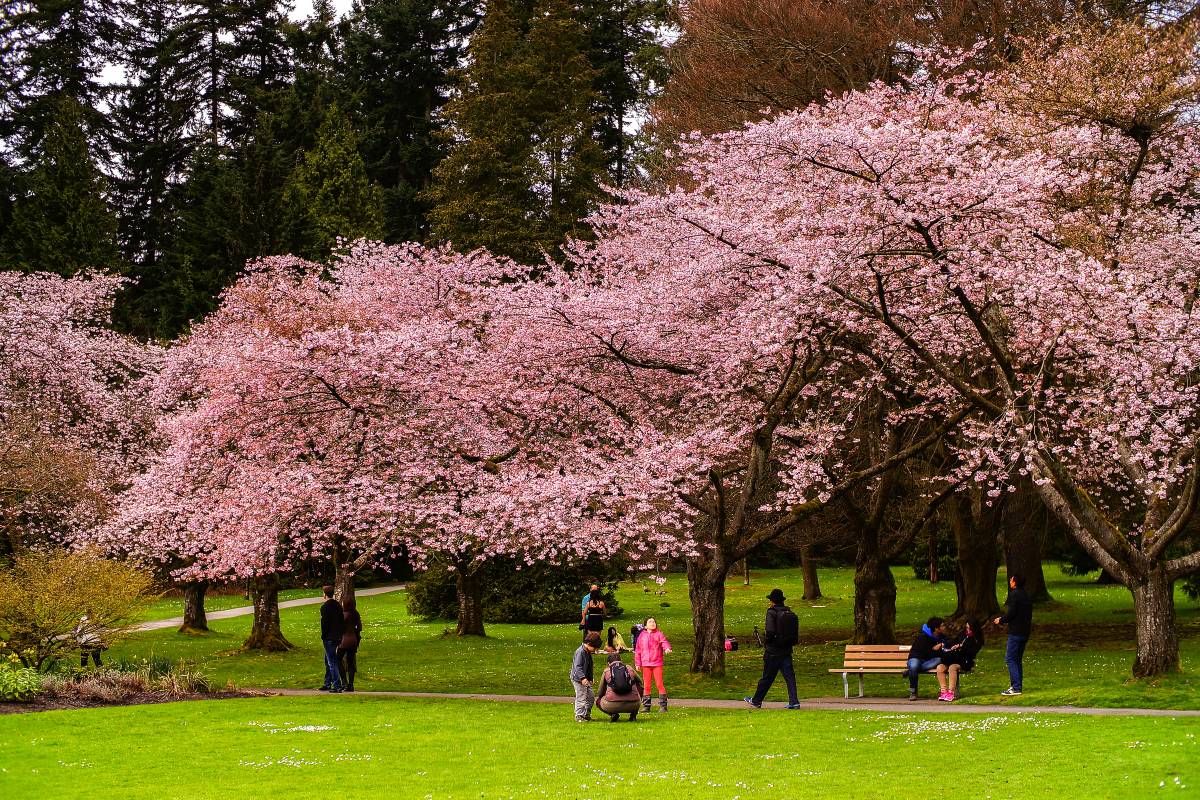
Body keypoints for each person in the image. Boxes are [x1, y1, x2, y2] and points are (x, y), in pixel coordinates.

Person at [744, 588, 801, 709]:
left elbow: (770, 631)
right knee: (790, 678)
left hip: (773, 651)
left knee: (767, 678)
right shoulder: (788, 612)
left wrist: (767, 642)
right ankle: (794, 701)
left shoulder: (771, 612)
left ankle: (756, 700)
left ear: (772, 601)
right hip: (786, 650)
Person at [993, 573, 1033, 696]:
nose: (1010, 581)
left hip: (1016, 631)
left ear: (1014, 582)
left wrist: (1001, 620)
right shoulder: (1026, 595)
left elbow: (1011, 613)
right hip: (1025, 631)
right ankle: (1017, 686)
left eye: (1011, 580)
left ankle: (1015, 687)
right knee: (1017, 659)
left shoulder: (1015, 595)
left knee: (1010, 659)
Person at [935, 618, 984, 702]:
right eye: (967, 627)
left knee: (952, 668)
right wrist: (946, 644)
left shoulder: (976, 639)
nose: (968, 630)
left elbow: (971, 653)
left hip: (965, 661)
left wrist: (961, 647)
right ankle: (944, 692)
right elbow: (953, 641)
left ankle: (951, 692)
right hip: (953, 658)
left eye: (969, 628)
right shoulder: (963, 635)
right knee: (940, 667)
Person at [633, 617, 672, 712]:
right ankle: (646, 706)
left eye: (654, 621)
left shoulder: (659, 634)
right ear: (645, 625)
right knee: (647, 685)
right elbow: (638, 650)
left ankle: (663, 706)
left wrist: (667, 648)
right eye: (650, 622)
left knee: (659, 684)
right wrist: (638, 663)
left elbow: (664, 642)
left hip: (657, 663)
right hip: (646, 664)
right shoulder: (641, 636)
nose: (653, 623)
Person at [906, 616, 948, 700]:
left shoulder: (941, 637)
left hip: (927, 660)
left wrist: (941, 644)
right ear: (936, 628)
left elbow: (949, 641)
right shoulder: (923, 638)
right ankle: (913, 691)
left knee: (940, 659)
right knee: (914, 666)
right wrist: (936, 650)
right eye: (942, 625)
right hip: (916, 658)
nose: (944, 627)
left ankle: (910, 671)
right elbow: (929, 653)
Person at [596, 652, 645, 722]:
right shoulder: (629, 668)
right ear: (621, 660)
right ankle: (633, 716)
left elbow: (600, 692)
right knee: (639, 686)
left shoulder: (606, 671)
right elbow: (640, 682)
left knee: (598, 701)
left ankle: (613, 714)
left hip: (611, 705)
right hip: (633, 705)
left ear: (608, 663)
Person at [570, 631, 602, 722]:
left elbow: (589, 666)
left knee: (590, 697)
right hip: (578, 679)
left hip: (586, 679)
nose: (595, 650)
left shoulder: (588, 652)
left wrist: (590, 678)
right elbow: (577, 667)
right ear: (588, 644)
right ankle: (579, 716)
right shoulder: (580, 652)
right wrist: (582, 678)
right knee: (581, 697)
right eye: (594, 648)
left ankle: (586, 714)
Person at [318, 585, 345, 693]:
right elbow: (341, 621)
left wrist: (324, 635)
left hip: (329, 637)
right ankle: (327, 683)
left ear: (325, 594)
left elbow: (324, 624)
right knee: (328, 659)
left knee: (331, 661)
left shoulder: (325, 607)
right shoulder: (338, 605)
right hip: (337, 636)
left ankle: (337, 685)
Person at [337, 597, 363, 692]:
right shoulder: (355, 614)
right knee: (350, 662)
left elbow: (339, 628)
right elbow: (359, 627)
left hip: (344, 640)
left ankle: (344, 682)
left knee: (338, 660)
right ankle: (351, 684)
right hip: (353, 640)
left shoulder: (343, 615)